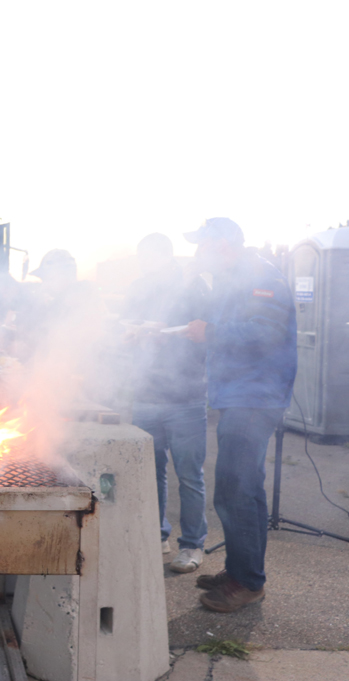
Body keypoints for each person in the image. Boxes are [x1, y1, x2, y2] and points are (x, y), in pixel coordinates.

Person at [183, 217, 296, 613]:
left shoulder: (261, 276)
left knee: (236, 490)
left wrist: (210, 331)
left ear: (225, 245)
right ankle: (240, 571)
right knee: (241, 490)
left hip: (255, 398)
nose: (200, 253)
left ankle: (247, 583)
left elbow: (264, 333)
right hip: (241, 396)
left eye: (204, 245)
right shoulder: (234, 280)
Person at [122, 233, 210, 573]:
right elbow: (124, 327)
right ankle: (156, 535)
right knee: (149, 471)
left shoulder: (193, 286)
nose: (145, 265)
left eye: (150, 258)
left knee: (189, 474)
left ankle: (192, 545)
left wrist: (167, 331)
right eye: (142, 258)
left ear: (166, 256)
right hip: (145, 392)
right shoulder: (139, 287)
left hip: (185, 395)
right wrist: (132, 332)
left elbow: (207, 334)